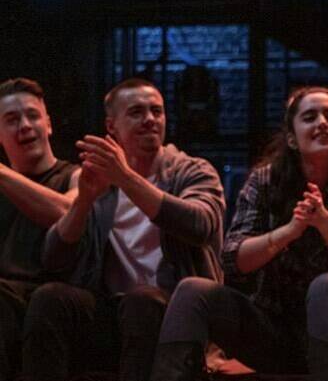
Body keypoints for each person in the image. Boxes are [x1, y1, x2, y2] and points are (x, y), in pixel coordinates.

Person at [149, 86, 328, 381]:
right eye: (309, 117)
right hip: (273, 331)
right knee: (193, 291)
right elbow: (233, 258)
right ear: (292, 138)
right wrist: (289, 232)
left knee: (327, 286)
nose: (321, 122)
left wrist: (325, 222)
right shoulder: (266, 180)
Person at [22, 78, 225, 381]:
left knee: (141, 300)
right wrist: (85, 200)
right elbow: (54, 258)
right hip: (112, 313)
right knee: (50, 297)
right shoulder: (100, 183)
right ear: (112, 125)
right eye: (136, 112)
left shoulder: (191, 170)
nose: (150, 120)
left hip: (175, 314)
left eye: (157, 111)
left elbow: (200, 226)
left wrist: (126, 177)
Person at [0, 78, 79, 380]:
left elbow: (66, 214)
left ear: (49, 125)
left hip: (54, 299)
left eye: (32, 116)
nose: (24, 125)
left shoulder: (77, 176)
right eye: (11, 119)